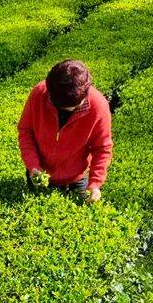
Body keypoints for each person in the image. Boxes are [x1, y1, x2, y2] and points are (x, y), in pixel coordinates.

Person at [18, 59, 113, 203]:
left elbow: (102, 148)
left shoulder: (98, 107)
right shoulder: (39, 94)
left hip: (77, 179)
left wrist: (95, 184)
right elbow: (26, 131)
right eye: (58, 105)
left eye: (71, 107)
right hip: (39, 173)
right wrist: (33, 166)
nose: (63, 110)